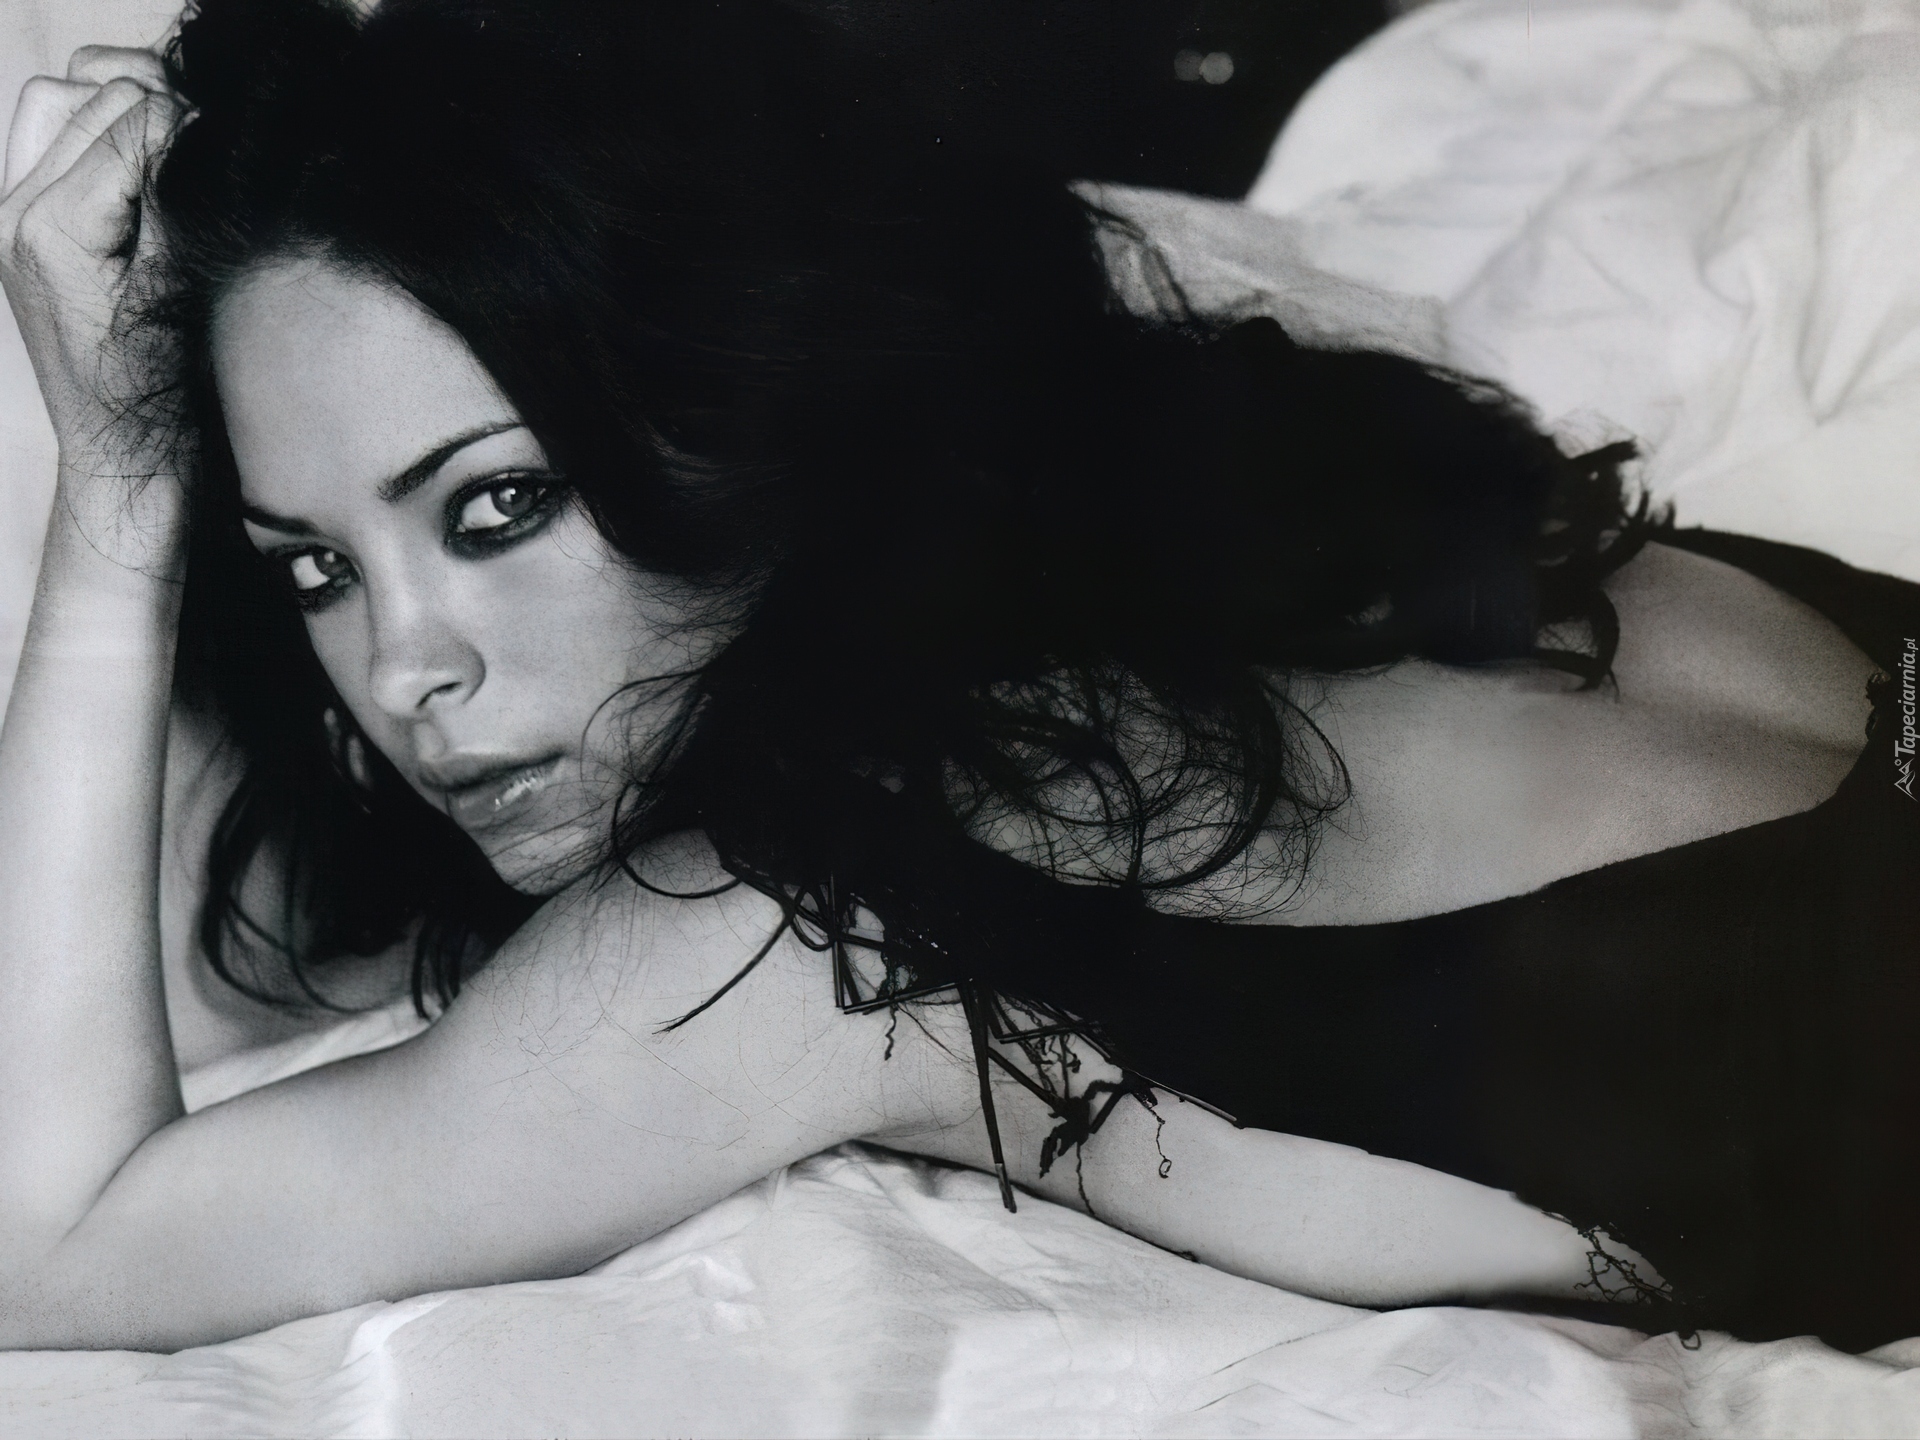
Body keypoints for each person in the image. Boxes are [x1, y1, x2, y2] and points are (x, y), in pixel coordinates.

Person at [0, 0, 1912, 1356]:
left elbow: (46, 1251)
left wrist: (116, 500)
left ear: (736, 411)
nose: (400, 669)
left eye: (499, 505)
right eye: (315, 570)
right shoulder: (1367, 525)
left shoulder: (797, 923)